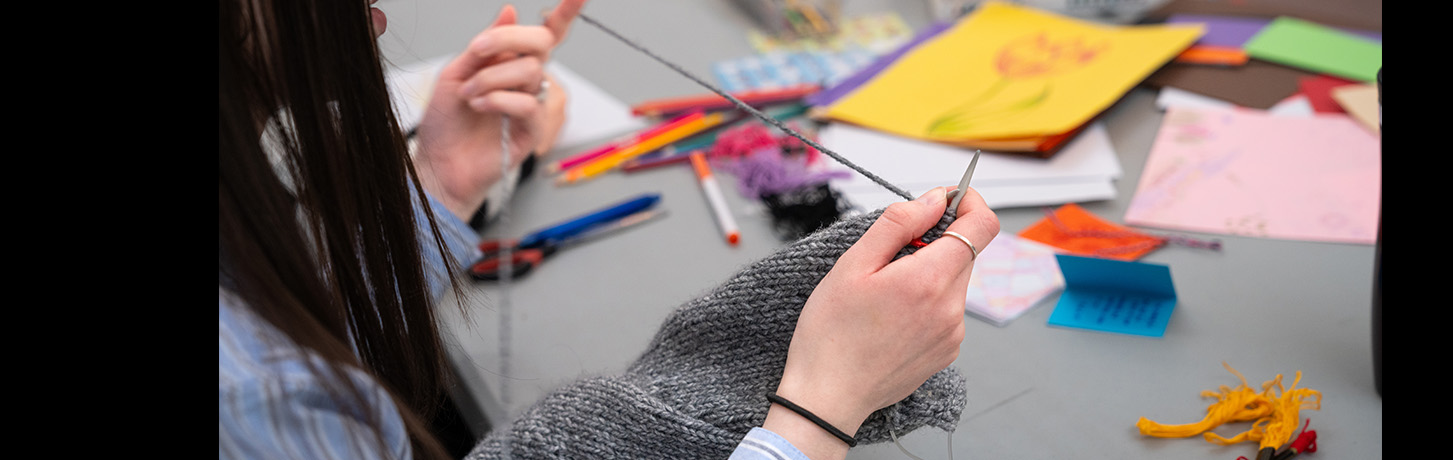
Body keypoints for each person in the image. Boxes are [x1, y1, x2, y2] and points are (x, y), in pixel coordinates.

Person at [218, 0, 1000, 459]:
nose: (377, 15)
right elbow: (274, 380)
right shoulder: (252, 406)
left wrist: (442, 184)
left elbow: (282, 343)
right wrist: (821, 408)